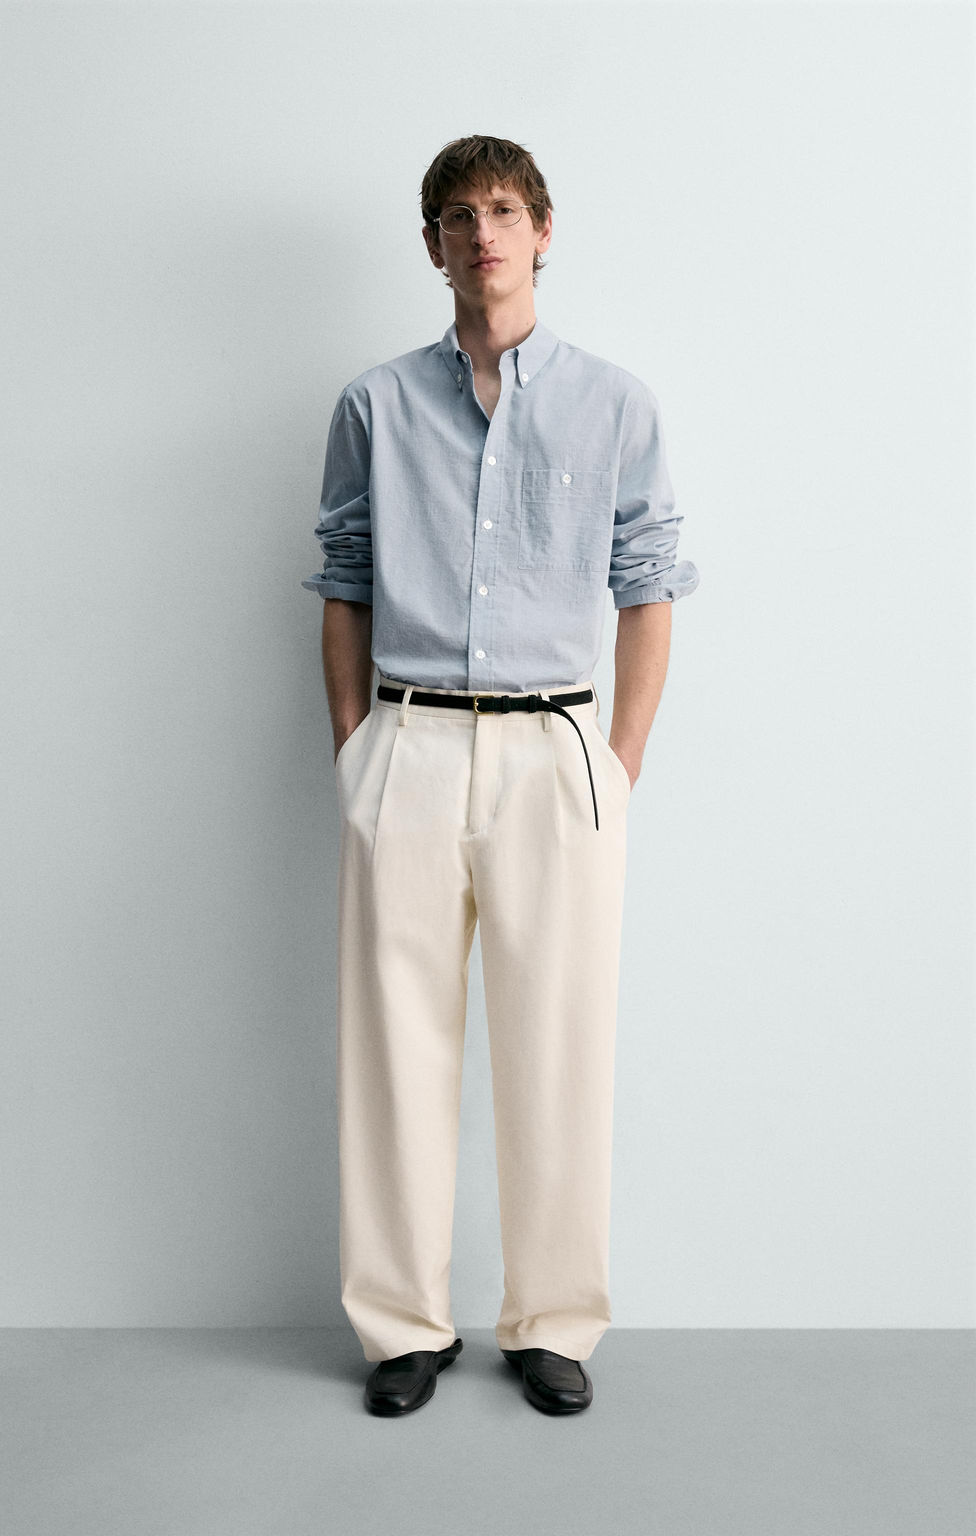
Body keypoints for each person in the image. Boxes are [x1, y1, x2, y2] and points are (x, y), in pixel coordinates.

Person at [301, 134, 699, 1417]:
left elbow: (647, 587)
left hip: (554, 755)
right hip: (409, 746)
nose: (485, 233)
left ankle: (553, 1323)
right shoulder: (373, 406)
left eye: (507, 209)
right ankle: (402, 1327)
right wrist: (358, 747)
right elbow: (343, 579)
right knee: (393, 1046)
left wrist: (616, 763)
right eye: (460, 215)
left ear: (542, 232)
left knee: (559, 1043)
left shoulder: (615, 404)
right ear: (431, 244)